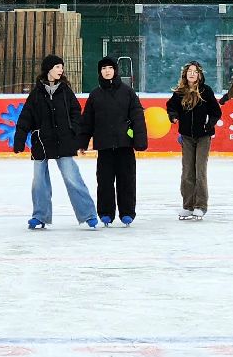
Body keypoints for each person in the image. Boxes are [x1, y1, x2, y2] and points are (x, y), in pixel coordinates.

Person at [12, 54, 99, 230]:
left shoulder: (65, 91)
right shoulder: (36, 94)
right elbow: (25, 118)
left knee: (72, 178)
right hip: (42, 142)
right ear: (49, 69)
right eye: (58, 67)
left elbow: (76, 112)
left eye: (61, 67)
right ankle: (39, 216)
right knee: (39, 181)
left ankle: (88, 214)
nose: (61, 70)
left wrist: (73, 130)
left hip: (64, 141)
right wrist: (19, 140)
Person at [78, 56, 147, 226]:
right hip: (104, 146)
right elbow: (87, 121)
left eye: (110, 68)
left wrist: (140, 141)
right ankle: (106, 213)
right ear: (100, 72)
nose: (107, 71)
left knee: (127, 180)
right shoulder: (95, 95)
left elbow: (137, 117)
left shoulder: (128, 92)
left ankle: (127, 213)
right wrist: (82, 143)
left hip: (125, 145)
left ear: (115, 70)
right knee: (104, 181)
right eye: (103, 69)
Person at [165, 60, 221, 220]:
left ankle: (200, 206)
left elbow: (216, 112)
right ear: (185, 74)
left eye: (195, 71)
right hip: (187, 137)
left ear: (199, 75)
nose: (192, 73)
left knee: (200, 171)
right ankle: (188, 206)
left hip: (203, 136)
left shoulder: (206, 91)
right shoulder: (180, 92)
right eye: (189, 71)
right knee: (187, 171)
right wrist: (173, 116)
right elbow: (171, 106)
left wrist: (209, 124)